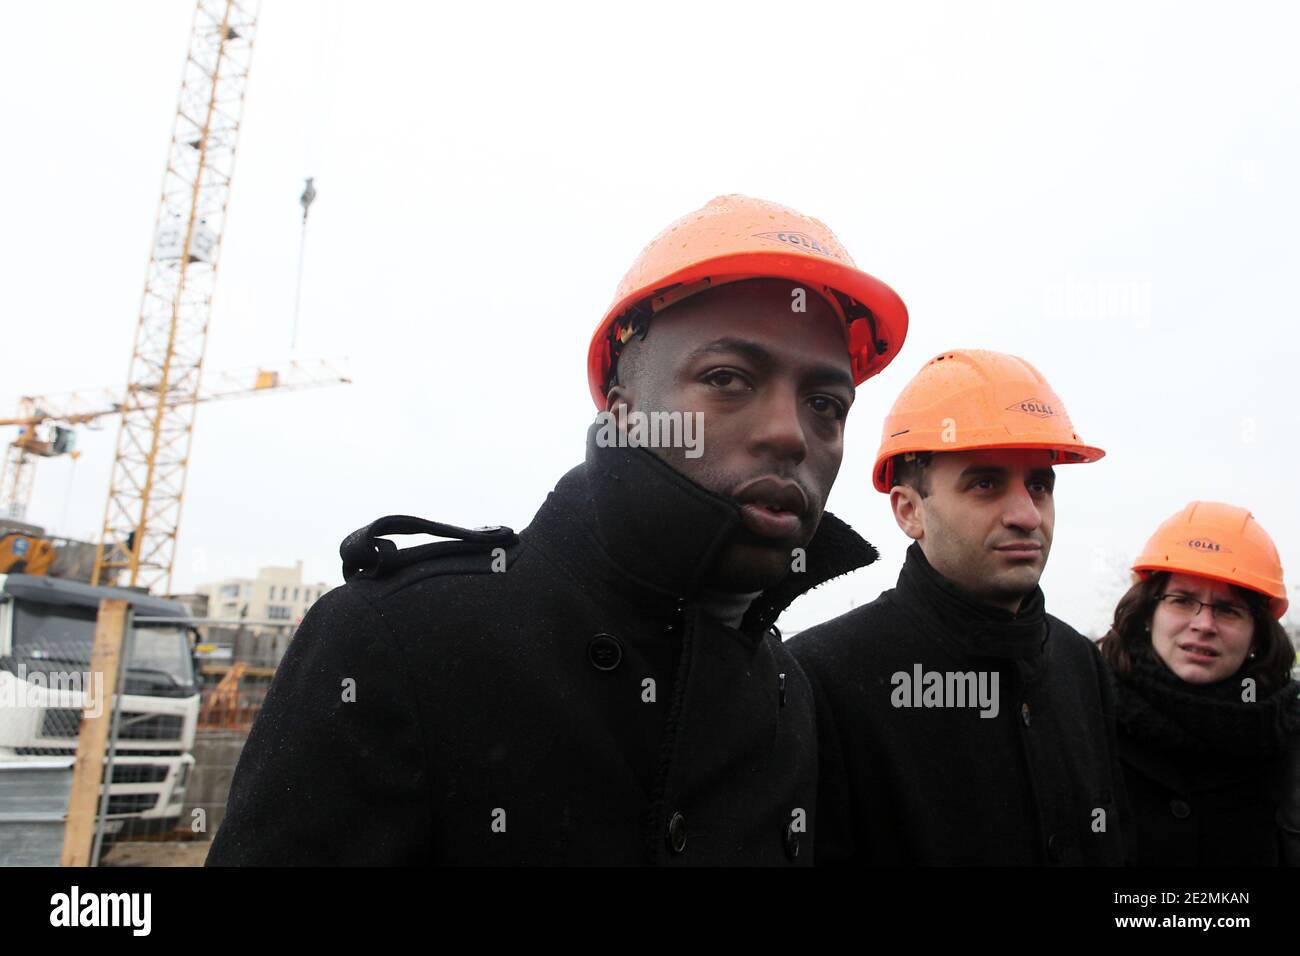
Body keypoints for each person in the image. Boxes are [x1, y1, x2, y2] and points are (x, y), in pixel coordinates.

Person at [206, 194, 909, 865]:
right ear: (624, 410)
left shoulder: (789, 697)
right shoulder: (398, 641)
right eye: (727, 379)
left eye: (826, 403)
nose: (790, 433)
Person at [790, 348, 1128, 865]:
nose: (1025, 514)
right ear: (909, 510)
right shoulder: (821, 679)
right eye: (986, 484)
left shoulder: (1081, 664)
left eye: (1038, 485)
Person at [1098, 501, 1300, 866]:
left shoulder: (1289, 741)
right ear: (1148, 613)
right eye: (1182, 600)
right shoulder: (1084, 713)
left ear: (1258, 635)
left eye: (1228, 609)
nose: (1203, 624)